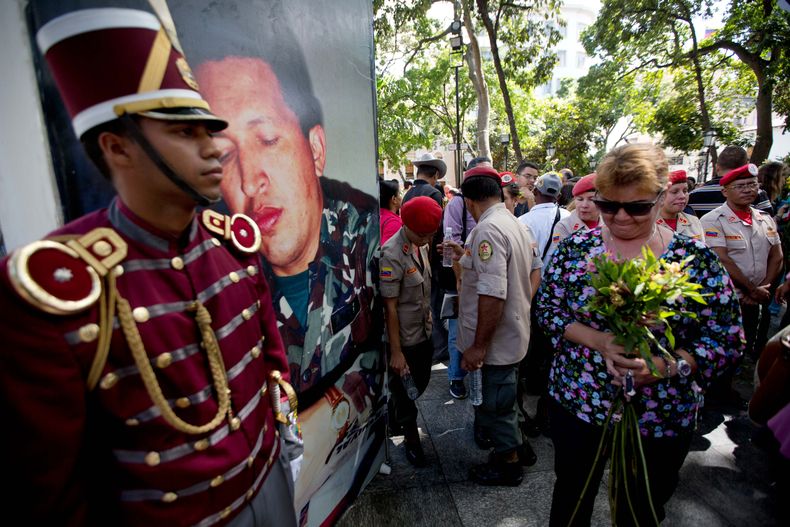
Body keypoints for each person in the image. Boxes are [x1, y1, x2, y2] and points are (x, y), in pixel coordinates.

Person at [1, 7, 298, 526]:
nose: (215, 149)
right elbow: (47, 490)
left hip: (269, 483)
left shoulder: (232, 242)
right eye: (185, 134)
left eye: (208, 130)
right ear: (117, 147)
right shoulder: (57, 287)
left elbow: (270, 361)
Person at [536, 143, 743, 526]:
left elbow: (727, 340)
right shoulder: (574, 251)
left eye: (637, 207)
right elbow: (548, 312)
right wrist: (600, 341)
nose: (620, 217)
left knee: (642, 509)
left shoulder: (695, 261)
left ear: (661, 197)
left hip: (660, 414)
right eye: (608, 205)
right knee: (571, 495)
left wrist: (667, 367)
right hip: (579, 402)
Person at [191, 20, 380, 407]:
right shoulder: (216, 271)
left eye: (267, 139)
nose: (249, 182)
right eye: (224, 155)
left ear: (315, 150)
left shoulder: (364, 231)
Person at [450, 165, 542, 486]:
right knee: (507, 398)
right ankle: (522, 449)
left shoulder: (488, 230)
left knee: (495, 406)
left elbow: (492, 294)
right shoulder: (511, 222)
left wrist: (477, 346)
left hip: (496, 341)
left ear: (469, 200)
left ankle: (508, 465)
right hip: (511, 335)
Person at [380, 197, 443, 467]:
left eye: (431, 234)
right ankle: (410, 436)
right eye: (423, 234)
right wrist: (396, 352)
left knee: (420, 382)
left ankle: (396, 417)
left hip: (423, 330)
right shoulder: (392, 253)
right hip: (404, 337)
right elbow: (389, 308)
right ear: (408, 226)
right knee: (406, 391)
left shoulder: (420, 245)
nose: (428, 240)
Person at [701, 163, 783, 360]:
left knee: (751, 347)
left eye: (752, 184)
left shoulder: (764, 218)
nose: (748, 190)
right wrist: (751, 290)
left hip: (759, 298)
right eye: (740, 186)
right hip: (729, 300)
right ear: (725, 191)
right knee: (721, 352)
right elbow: (722, 259)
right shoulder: (713, 220)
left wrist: (764, 289)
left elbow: (777, 256)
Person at [688, 145, 773, 218]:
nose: (746, 190)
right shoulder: (757, 193)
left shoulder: (693, 195)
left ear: (717, 167)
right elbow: (769, 226)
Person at [518, 172, 570, 271]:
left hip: (530, 281)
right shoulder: (568, 217)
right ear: (558, 196)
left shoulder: (521, 221)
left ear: (535, 191)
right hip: (557, 283)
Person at [547, 172, 601, 257]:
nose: (584, 205)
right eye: (580, 199)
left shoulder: (610, 224)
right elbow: (559, 258)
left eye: (591, 199)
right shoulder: (564, 226)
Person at [656, 169, 705, 241]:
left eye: (685, 191)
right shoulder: (648, 224)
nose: (682, 196)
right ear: (659, 195)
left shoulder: (693, 221)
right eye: (674, 192)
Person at [379, 178, 402, 245]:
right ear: (394, 199)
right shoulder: (393, 223)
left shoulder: (376, 216)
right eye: (399, 194)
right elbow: (389, 252)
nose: (401, 197)